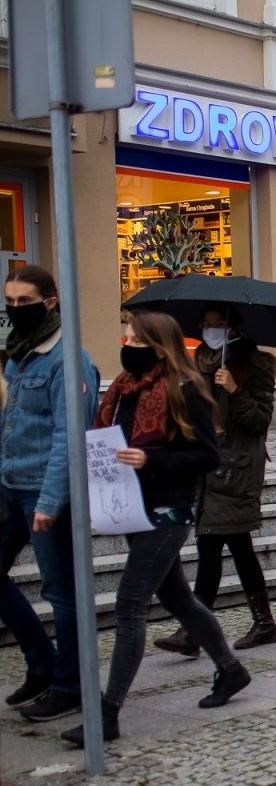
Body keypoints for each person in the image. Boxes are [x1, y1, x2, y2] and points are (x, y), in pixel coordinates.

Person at [63, 312, 251, 746]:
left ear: (157, 346)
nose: (125, 344)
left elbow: (207, 456)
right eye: (124, 336)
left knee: (130, 604)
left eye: (134, 339)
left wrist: (152, 460)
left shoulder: (186, 391)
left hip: (168, 512)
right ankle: (231, 669)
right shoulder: (122, 390)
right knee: (179, 598)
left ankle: (107, 714)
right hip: (129, 507)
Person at [0, 265, 100, 724]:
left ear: (51, 302)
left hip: (45, 491)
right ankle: (42, 663)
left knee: (61, 591)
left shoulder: (69, 360)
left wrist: (50, 501)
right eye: (10, 301)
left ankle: (70, 686)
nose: (15, 309)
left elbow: (68, 437)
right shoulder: (19, 357)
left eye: (25, 302)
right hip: (11, 486)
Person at [156, 305, 276, 656]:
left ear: (235, 326)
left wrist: (236, 389)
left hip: (237, 467)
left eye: (219, 324)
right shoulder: (196, 362)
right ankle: (245, 624)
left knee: (224, 545)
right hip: (208, 466)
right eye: (206, 324)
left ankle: (200, 629)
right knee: (222, 545)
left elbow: (260, 422)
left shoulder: (256, 364)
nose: (212, 330)